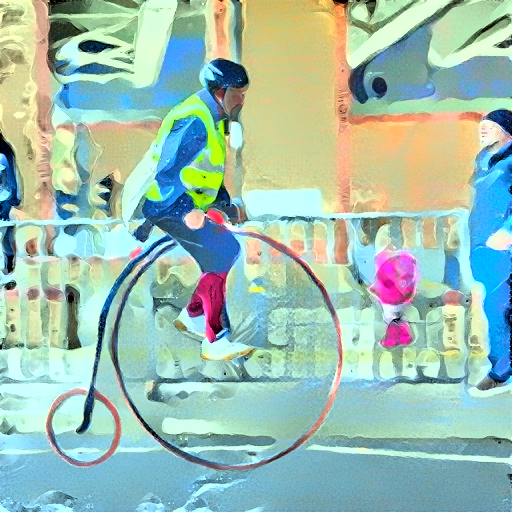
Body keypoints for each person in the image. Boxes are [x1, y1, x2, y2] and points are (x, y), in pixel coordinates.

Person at [123, 58, 253, 361]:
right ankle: (214, 337)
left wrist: (226, 206)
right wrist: (186, 210)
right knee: (223, 251)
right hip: (167, 203)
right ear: (221, 92)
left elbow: (205, 174)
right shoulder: (195, 118)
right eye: (238, 93)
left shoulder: (212, 118)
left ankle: (195, 315)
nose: (242, 100)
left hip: (176, 203)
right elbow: (168, 170)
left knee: (222, 252)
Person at [469, 109, 512, 392]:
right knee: (492, 306)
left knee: (500, 307)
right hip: (482, 247)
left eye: (491, 125)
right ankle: (501, 365)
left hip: (503, 245)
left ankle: (501, 370)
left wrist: (508, 231)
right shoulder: (483, 160)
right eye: (482, 125)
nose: (483, 129)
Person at [0, 133, 21, 281]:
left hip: (4, 202)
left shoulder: (2, 152)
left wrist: (12, 199)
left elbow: (8, 185)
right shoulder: (5, 149)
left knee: (6, 238)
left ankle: (8, 269)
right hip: (6, 201)